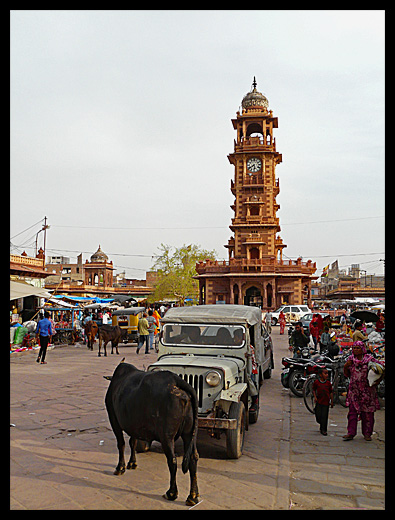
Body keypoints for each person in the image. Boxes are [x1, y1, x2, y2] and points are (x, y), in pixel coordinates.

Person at [342, 341, 384, 441]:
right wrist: (346, 366)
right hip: (354, 391)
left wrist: (377, 381)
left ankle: (367, 434)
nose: (355, 350)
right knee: (352, 413)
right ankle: (351, 433)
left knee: (368, 414)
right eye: (354, 348)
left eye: (358, 348)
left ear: (362, 349)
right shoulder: (350, 360)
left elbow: (381, 370)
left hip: (367, 392)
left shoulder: (370, 360)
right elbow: (346, 374)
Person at [312, 367, 333, 435]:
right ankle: (321, 423)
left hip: (326, 402)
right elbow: (313, 390)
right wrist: (315, 397)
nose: (327, 375)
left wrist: (331, 401)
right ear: (320, 375)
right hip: (319, 402)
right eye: (325, 373)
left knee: (324, 416)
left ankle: (324, 430)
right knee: (318, 415)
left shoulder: (328, 383)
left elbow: (331, 392)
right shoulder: (317, 382)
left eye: (327, 373)